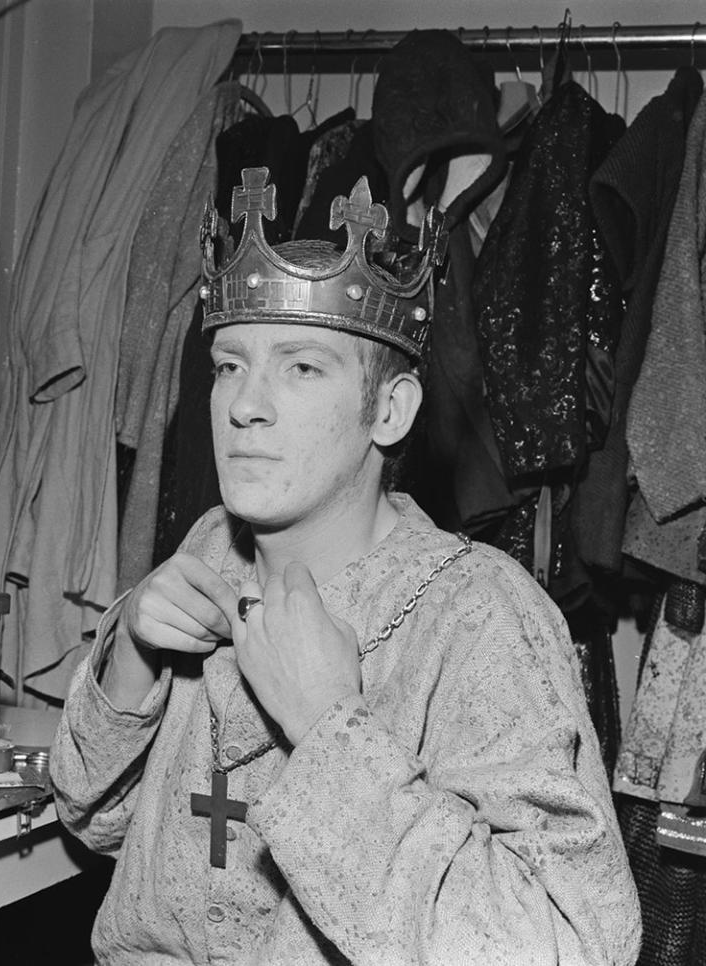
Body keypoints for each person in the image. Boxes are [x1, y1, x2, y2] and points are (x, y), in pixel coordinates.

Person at [50, 167, 641, 965]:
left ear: (390, 411)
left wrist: (331, 728)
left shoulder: (478, 618)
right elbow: (93, 820)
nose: (243, 405)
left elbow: (570, 945)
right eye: (229, 365)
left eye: (301, 367)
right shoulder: (208, 550)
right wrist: (130, 657)